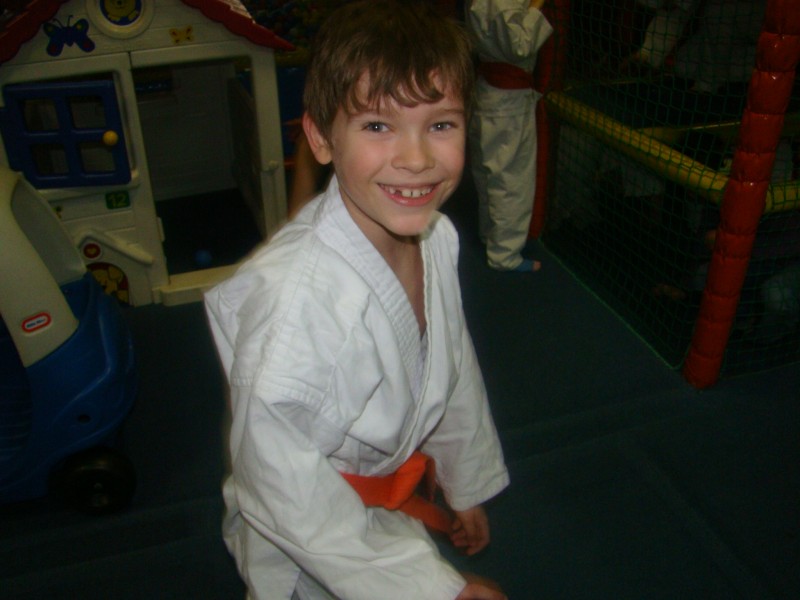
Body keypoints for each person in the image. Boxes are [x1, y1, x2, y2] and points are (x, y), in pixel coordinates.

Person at [204, 2, 510, 599]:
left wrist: (463, 480)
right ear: (321, 138)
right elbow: (282, 488)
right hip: (311, 539)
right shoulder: (297, 309)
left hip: (381, 503)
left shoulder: (435, 236)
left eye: (441, 125)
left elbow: (450, 365)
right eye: (376, 126)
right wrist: (430, 588)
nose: (416, 158)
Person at [466, 0, 553, 272]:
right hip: (507, 97)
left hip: (490, 91)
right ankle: (505, 255)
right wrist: (537, 6)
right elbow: (520, 45)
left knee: (488, 173)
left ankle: (491, 235)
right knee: (511, 179)